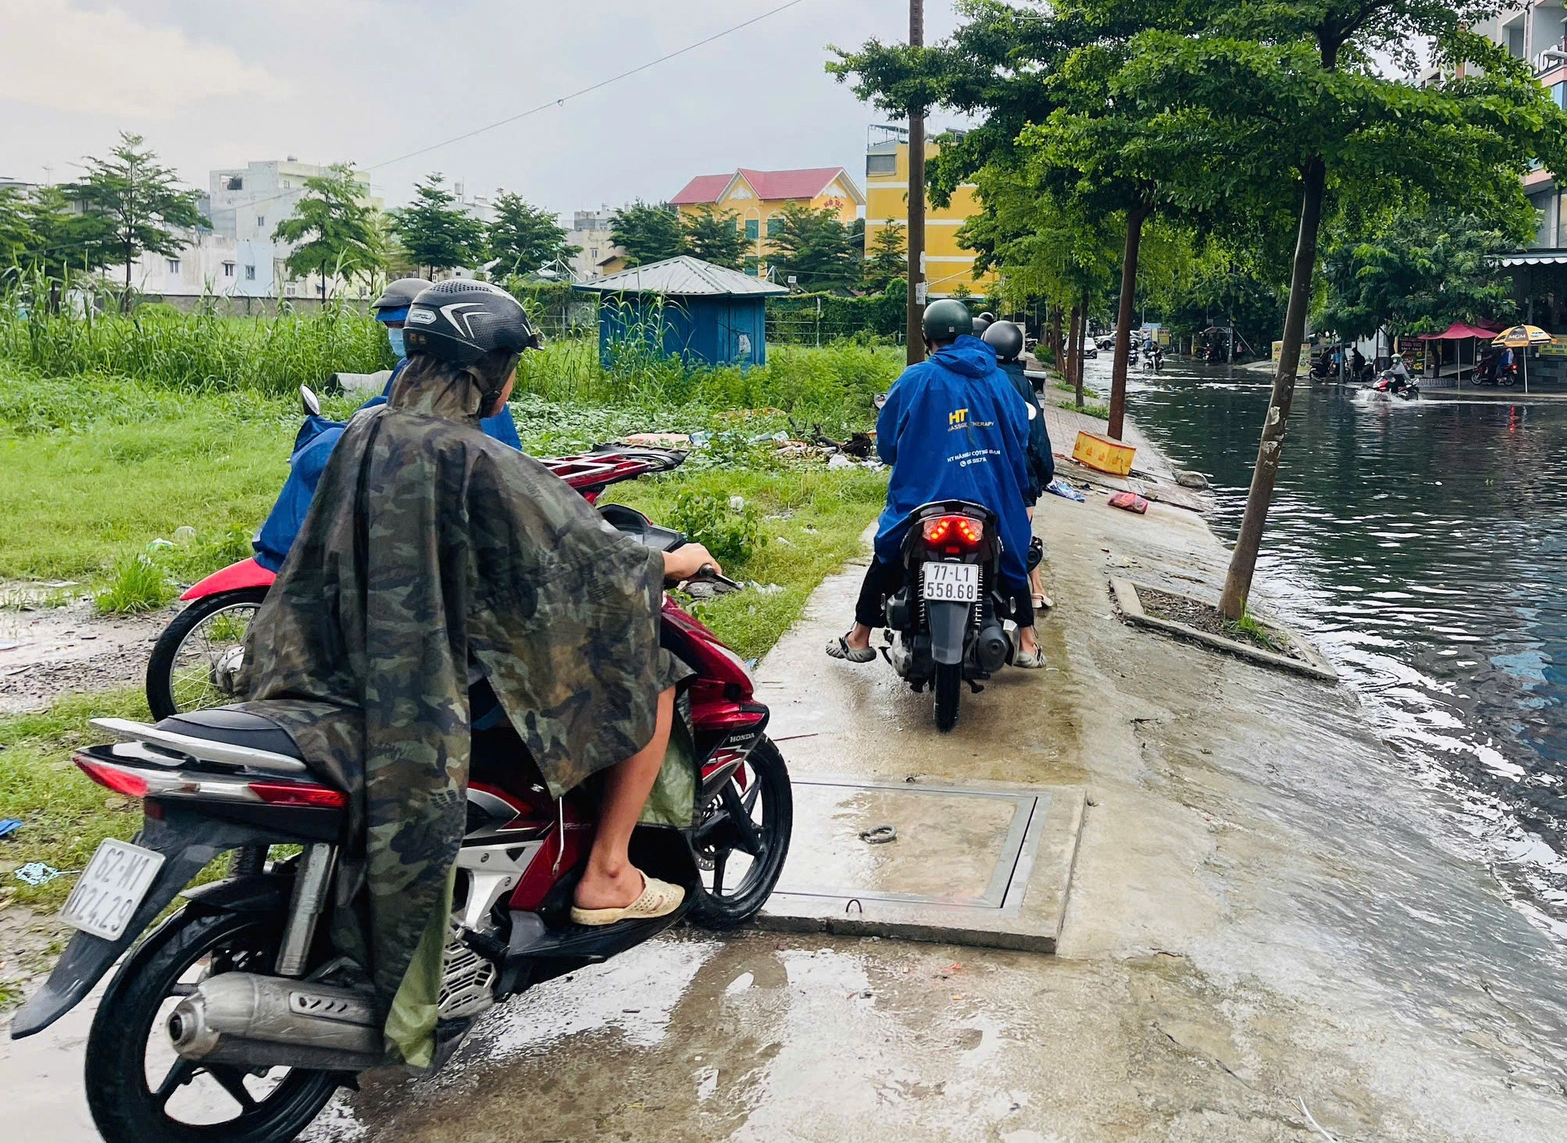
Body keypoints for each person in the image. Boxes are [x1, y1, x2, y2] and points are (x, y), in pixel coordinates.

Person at [241, 280, 719, 1069]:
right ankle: (607, 874)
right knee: (657, 676)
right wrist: (673, 560)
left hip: (327, 672)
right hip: (425, 691)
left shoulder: (360, 434)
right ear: (490, 369)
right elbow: (584, 561)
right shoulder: (473, 455)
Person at [827, 299, 1044, 667]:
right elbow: (1020, 437)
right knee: (1014, 552)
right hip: (990, 495)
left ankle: (860, 636)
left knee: (887, 551)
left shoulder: (916, 378)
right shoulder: (999, 381)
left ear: (926, 335)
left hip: (923, 495)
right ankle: (1026, 642)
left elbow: (889, 446)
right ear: (967, 333)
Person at [251, 279, 522, 571]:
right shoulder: (408, 371)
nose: (397, 335)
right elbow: (389, 410)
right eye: (391, 328)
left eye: (401, 327)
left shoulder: (473, 393)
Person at [983, 320, 1056, 610]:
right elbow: (1036, 437)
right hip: (1020, 478)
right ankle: (1034, 596)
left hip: (981, 473)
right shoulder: (1022, 385)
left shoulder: (978, 379)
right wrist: (1043, 476)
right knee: (1020, 538)